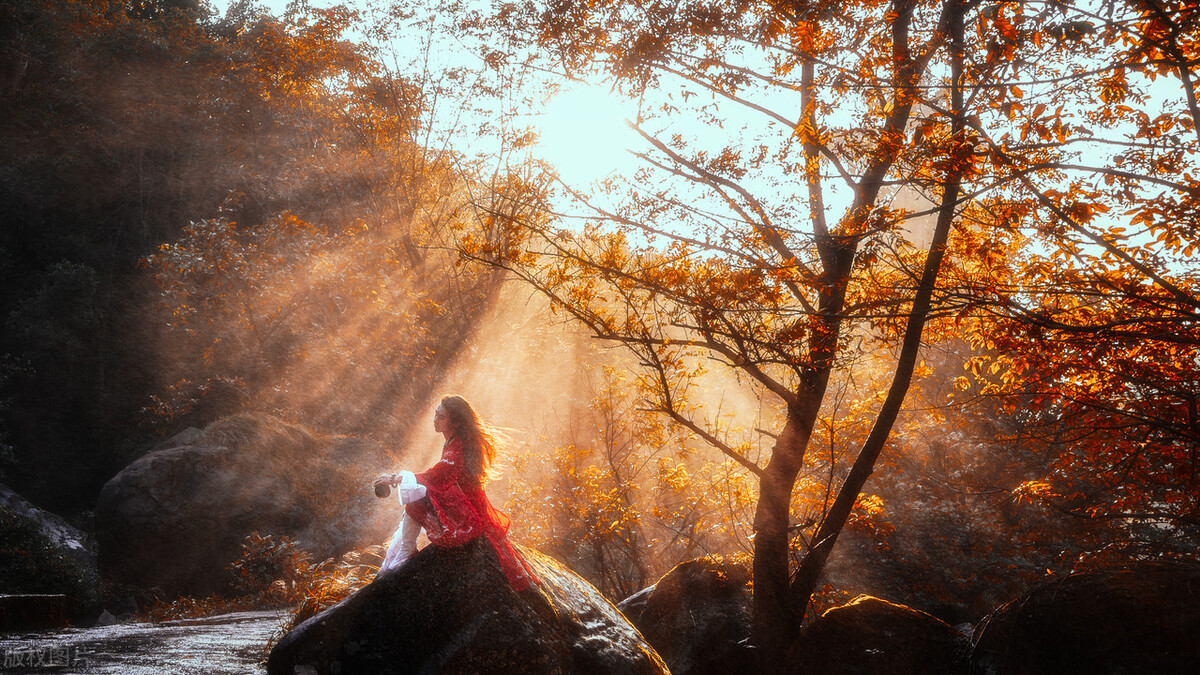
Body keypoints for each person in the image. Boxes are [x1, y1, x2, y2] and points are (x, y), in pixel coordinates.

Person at [373, 395, 537, 591]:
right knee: (420, 490)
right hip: (463, 504)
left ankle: (406, 551)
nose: (435, 419)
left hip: (468, 513)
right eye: (435, 414)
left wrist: (394, 478)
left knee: (419, 493)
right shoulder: (454, 441)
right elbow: (437, 477)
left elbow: (439, 475)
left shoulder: (457, 446)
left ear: (456, 422)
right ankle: (405, 550)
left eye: (441, 417)